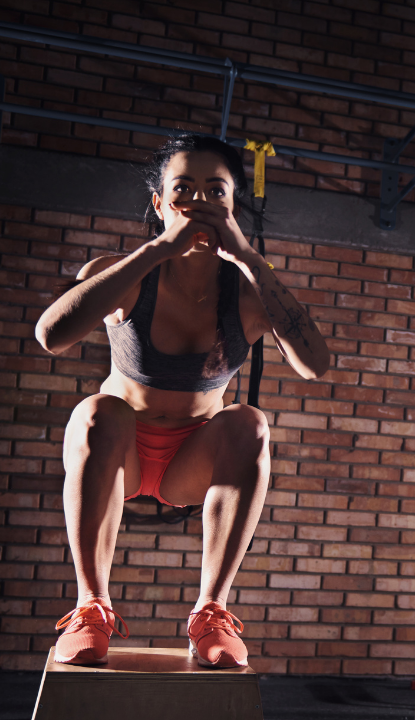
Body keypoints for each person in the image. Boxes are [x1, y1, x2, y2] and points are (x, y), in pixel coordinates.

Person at [35, 134, 330, 667]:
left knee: (249, 422)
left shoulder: (248, 291)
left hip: (189, 463)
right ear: (160, 203)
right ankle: (91, 609)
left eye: (215, 191)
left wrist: (246, 256)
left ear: (233, 204)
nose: (199, 202)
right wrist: (158, 250)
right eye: (183, 189)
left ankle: (211, 613)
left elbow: (315, 364)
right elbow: (51, 336)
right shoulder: (124, 273)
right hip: (117, 452)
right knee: (98, 410)